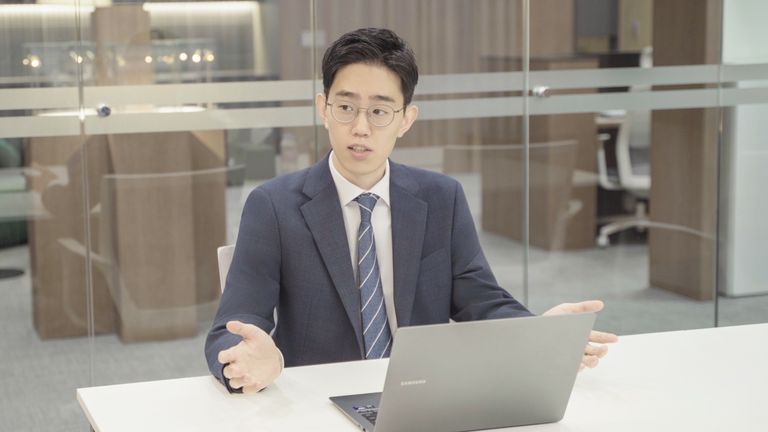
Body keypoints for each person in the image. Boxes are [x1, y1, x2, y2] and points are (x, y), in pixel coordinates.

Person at [205, 27, 618, 394]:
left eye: (380, 111)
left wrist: (539, 332)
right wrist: (247, 361)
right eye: (346, 107)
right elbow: (232, 326)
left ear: (406, 119)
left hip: (421, 396)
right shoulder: (274, 206)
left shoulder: (441, 198)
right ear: (323, 108)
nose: (361, 127)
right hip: (321, 400)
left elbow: (481, 300)